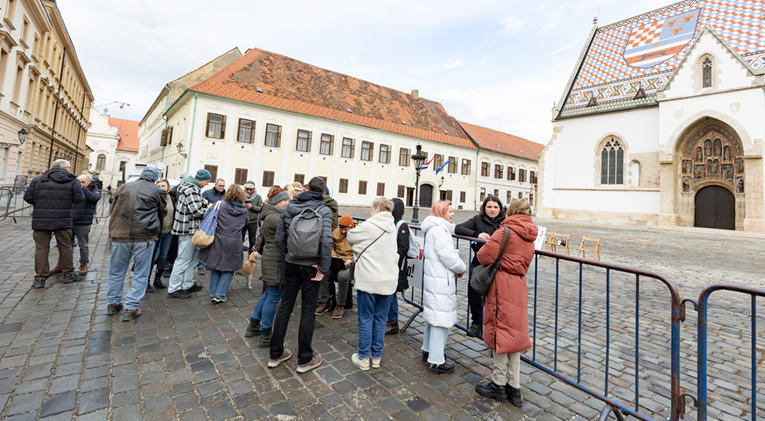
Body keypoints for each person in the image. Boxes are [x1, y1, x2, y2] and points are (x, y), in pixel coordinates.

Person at [474, 199, 538, 407]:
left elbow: (484, 256)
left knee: (499, 331)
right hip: (518, 284)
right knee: (515, 334)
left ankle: (498, 383)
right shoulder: (530, 235)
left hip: (501, 282)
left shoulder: (505, 231)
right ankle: (515, 387)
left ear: (509, 211)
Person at [268, 177, 332, 374]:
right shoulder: (324, 210)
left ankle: (275, 353)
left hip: (292, 263)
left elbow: (279, 237)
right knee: (307, 310)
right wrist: (323, 268)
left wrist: (288, 255)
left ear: (305, 189)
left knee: (285, 306)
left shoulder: (290, 206)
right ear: (323, 193)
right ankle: (305, 358)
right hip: (312, 266)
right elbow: (326, 242)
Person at [106, 167, 166, 321]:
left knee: (116, 270)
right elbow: (162, 212)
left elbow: (113, 209)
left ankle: (112, 303)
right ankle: (131, 307)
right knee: (141, 272)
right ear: (155, 177)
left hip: (120, 233)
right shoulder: (157, 190)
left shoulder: (124, 186)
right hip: (144, 235)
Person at [346, 197, 398, 370]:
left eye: (371, 209)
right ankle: (376, 357)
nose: (369, 213)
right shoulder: (393, 227)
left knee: (366, 318)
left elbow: (351, 236)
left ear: (376, 208)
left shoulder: (369, 225)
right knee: (380, 319)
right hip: (388, 280)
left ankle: (363, 358)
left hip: (369, 279)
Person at [420, 200, 466, 374]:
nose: (453, 214)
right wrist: (461, 267)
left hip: (436, 278)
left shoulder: (435, 227)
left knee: (433, 317)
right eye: (450, 211)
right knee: (440, 320)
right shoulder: (439, 230)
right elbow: (447, 256)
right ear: (441, 212)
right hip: (441, 280)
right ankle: (437, 360)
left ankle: (427, 349)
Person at [24, 159, 85, 288]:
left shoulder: (38, 180)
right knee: (65, 246)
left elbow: (28, 197)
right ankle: (68, 275)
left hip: (41, 219)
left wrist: (41, 203)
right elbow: (79, 198)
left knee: (41, 248)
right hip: (63, 219)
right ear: (66, 168)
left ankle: (40, 279)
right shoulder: (72, 181)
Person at [245, 188, 291, 347]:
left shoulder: (271, 215)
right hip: (276, 261)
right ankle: (265, 333)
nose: (288, 203)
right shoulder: (275, 217)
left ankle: (253, 325)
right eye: (285, 200)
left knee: (267, 295)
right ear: (276, 202)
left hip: (271, 259)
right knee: (273, 297)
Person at [455, 195, 505, 337]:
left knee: (497, 296)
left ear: (500, 209)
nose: (492, 210)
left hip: (498, 263)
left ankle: (496, 329)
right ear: (484, 208)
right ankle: (476, 322)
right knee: (473, 289)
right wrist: (477, 234)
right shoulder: (478, 220)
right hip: (479, 261)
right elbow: (459, 228)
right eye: (489, 207)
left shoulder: (505, 222)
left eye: (495, 207)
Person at [199, 184, 248, 303]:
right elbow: (245, 223)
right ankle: (220, 294)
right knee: (229, 267)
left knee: (215, 265)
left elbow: (207, 216)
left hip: (218, 238)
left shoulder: (219, 204)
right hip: (235, 240)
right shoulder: (244, 210)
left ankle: (213, 292)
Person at [167, 169, 211, 299]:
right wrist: (210, 209)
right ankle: (173, 288)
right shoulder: (191, 190)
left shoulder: (193, 188)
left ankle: (188, 283)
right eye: (207, 181)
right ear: (201, 179)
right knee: (183, 259)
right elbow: (196, 211)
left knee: (193, 259)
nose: (208, 183)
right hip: (188, 230)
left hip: (193, 229)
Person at [385, 198, 411, 335]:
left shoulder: (401, 225)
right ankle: (388, 319)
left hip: (397, 267)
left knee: (391, 293)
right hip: (389, 265)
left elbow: (404, 247)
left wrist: (392, 258)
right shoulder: (390, 222)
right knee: (388, 292)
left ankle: (393, 322)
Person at [70, 174, 101, 276]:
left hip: (83, 221)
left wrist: (83, 189)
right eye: (78, 182)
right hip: (69, 220)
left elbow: (95, 198)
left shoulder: (93, 189)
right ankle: (62, 264)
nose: (80, 184)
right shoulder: (72, 188)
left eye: (83, 182)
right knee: (66, 245)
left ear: (88, 182)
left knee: (83, 245)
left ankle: (83, 264)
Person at [327, 215, 356, 319]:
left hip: (351, 263)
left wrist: (351, 259)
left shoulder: (357, 234)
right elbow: (330, 247)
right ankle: (325, 301)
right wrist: (335, 257)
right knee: (324, 273)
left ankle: (340, 305)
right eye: (342, 229)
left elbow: (360, 250)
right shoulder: (336, 232)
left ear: (351, 227)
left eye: (345, 229)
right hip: (338, 261)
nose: (343, 231)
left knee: (342, 276)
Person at [149, 179, 175, 292]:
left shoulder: (172, 198)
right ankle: (146, 280)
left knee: (163, 257)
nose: (161, 187)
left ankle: (158, 278)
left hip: (168, 232)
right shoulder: (153, 197)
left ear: (168, 187)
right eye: (158, 185)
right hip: (156, 233)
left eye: (163, 185)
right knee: (153, 256)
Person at [242, 181, 264, 251]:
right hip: (242, 221)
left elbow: (261, 209)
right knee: (239, 240)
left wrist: (252, 207)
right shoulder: (241, 196)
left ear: (254, 189)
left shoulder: (258, 197)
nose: (248, 191)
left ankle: (250, 258)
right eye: (247, 189)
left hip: (253, 222)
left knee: (252, 241)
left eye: (250, 189)